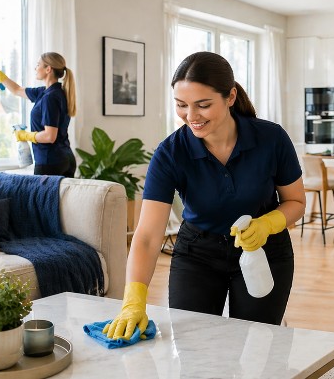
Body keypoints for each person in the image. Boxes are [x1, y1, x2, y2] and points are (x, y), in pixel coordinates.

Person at [103, 52, 306, 340]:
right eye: (181, 105)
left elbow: (296, 202)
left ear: (231, 96)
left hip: (264, 252)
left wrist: (267, 225)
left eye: (204, 105)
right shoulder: (170, 153)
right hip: (197, 255)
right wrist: (133, 300)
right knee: (195, 351)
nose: (191, 116)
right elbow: (148, 235)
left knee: (260, 349)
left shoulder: (271, 139)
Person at [0, 51, 77, 177]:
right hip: (65, 159)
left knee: (43, 197)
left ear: (48, 69)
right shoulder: (50, 92)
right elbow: (17, 90)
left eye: (38, 64)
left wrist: (25, 136)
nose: (35, 68)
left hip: (50, 162)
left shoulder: (50, 97)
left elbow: (50, 136)